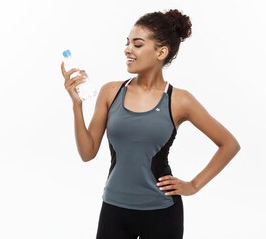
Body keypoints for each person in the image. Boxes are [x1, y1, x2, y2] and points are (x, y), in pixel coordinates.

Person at [60, 9, 240, 239]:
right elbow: (87, 153)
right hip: (114, 210)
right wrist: (77, 105)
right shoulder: (111, 92)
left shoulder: (179, 100)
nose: (128, 49)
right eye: (127, 43)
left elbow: (229, 144)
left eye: (137, 44)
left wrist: (193, 185)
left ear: (161, 52)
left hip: (162, 213)